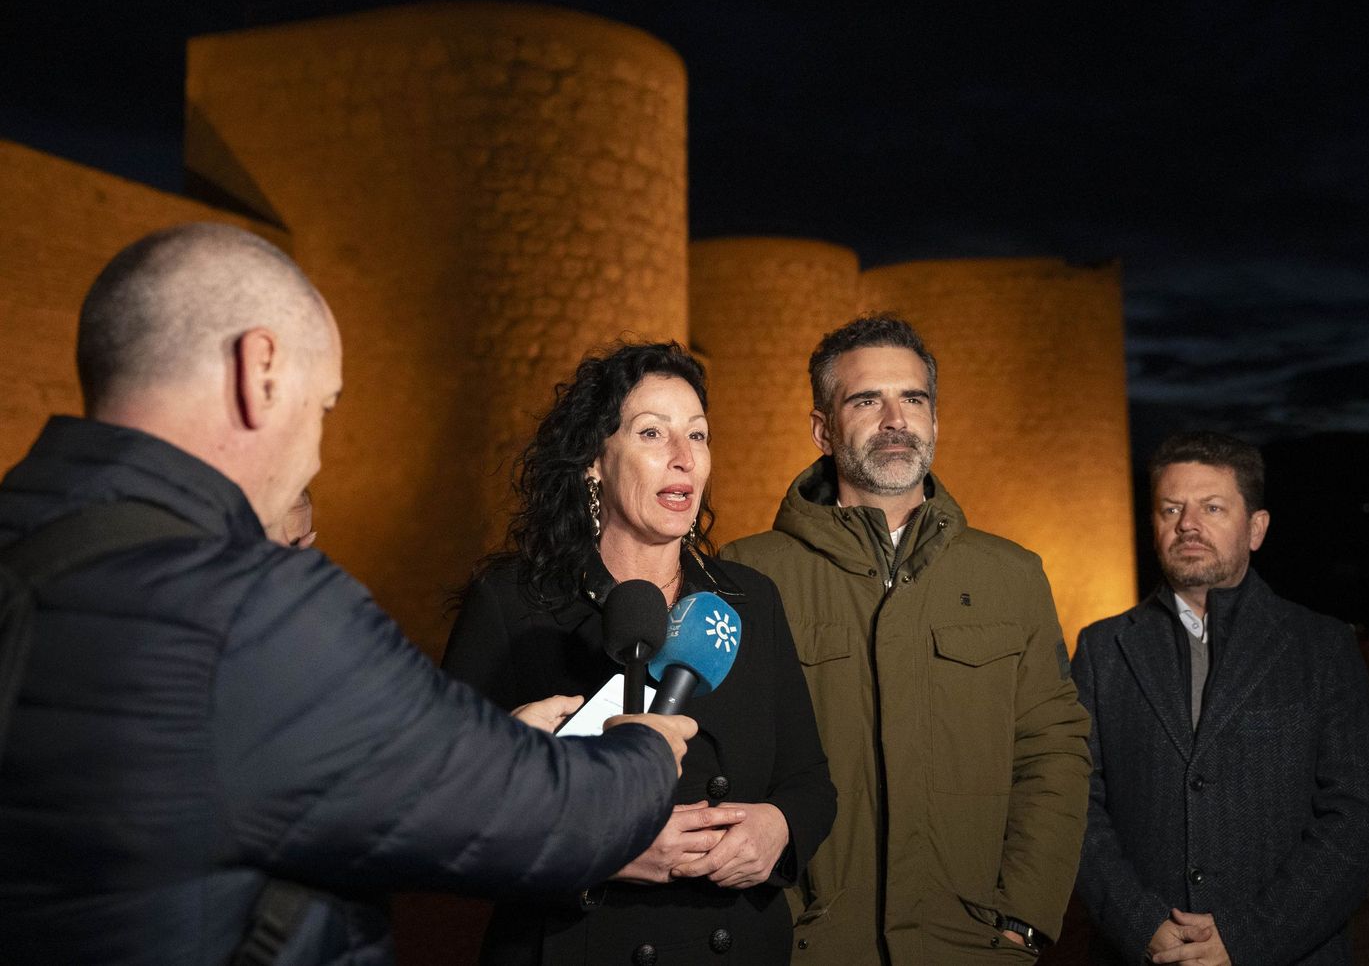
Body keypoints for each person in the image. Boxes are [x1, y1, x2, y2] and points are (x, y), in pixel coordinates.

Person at [0, 223, 696, 966]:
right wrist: (644, 752)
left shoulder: (31, 542)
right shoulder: (255, 612)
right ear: (259, 369)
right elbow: (550, 817)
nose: (318, 452)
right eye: (325, 405)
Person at [443, 341, 836, 966]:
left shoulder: (749, 600)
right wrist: (599, 851)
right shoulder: (512, 604)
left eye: (698, 436)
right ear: (595, 461)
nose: (684, 458)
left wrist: (778, 830)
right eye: (653, 433)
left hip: (733, 941)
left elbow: (810, 780)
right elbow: (448, 816)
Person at [721, 315, 1092, 963]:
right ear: (822, 428)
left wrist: (1021, 919)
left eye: (913, 398)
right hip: (809, 949)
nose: (896, 418)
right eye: (867, 400)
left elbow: (1053, 753)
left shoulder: (1012, 574)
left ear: (936, 420)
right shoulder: (748, 574)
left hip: (972, 948)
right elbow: (721, 764)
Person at [1072, 431, 1369, 966]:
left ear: (1256, 529)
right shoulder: (1103, 649)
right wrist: (1139, 923)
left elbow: (1362, 816)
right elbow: (1075, 804)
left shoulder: (1320, 645)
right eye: (1170, 508)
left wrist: (1250, 937)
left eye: (1212, 507)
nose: (1187, 524)